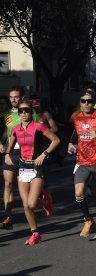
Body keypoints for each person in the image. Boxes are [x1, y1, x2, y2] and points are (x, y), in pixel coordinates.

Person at [3, 101, 60, 245]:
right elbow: (10, 145)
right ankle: (35, 233)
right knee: (26, 206)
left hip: (36, 167)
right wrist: (7, 155)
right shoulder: (15, 129)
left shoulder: (39, 126)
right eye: (21, 111)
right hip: (23, 167)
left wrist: (44, 154)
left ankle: (45, 200)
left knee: (32, 204)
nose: (23, 113)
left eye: (27, 110)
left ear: (31, 112)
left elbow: (56, 140)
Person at [0, 87, 52, 230]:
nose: (13, 100)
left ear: (22, 98)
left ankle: (41, 198)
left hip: (28, 154)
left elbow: (42, 130)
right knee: (8, 184)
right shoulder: (7, 114)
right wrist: (2, 143)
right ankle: (8, 217)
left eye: (16, 97)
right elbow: (7, 131)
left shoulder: (31, 113)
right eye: (11, 97)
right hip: (12, 154)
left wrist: (43, 153)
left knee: (29, 198)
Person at [68, 92, 96, 238]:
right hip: (82, 161)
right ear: (80, 102)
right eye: (83, 101)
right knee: (78, 193)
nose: (86, 103)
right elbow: (76, 132)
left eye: (89, 101)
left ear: (93, 103)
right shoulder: (77, 117)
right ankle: (88, 220)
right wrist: (71, 142)